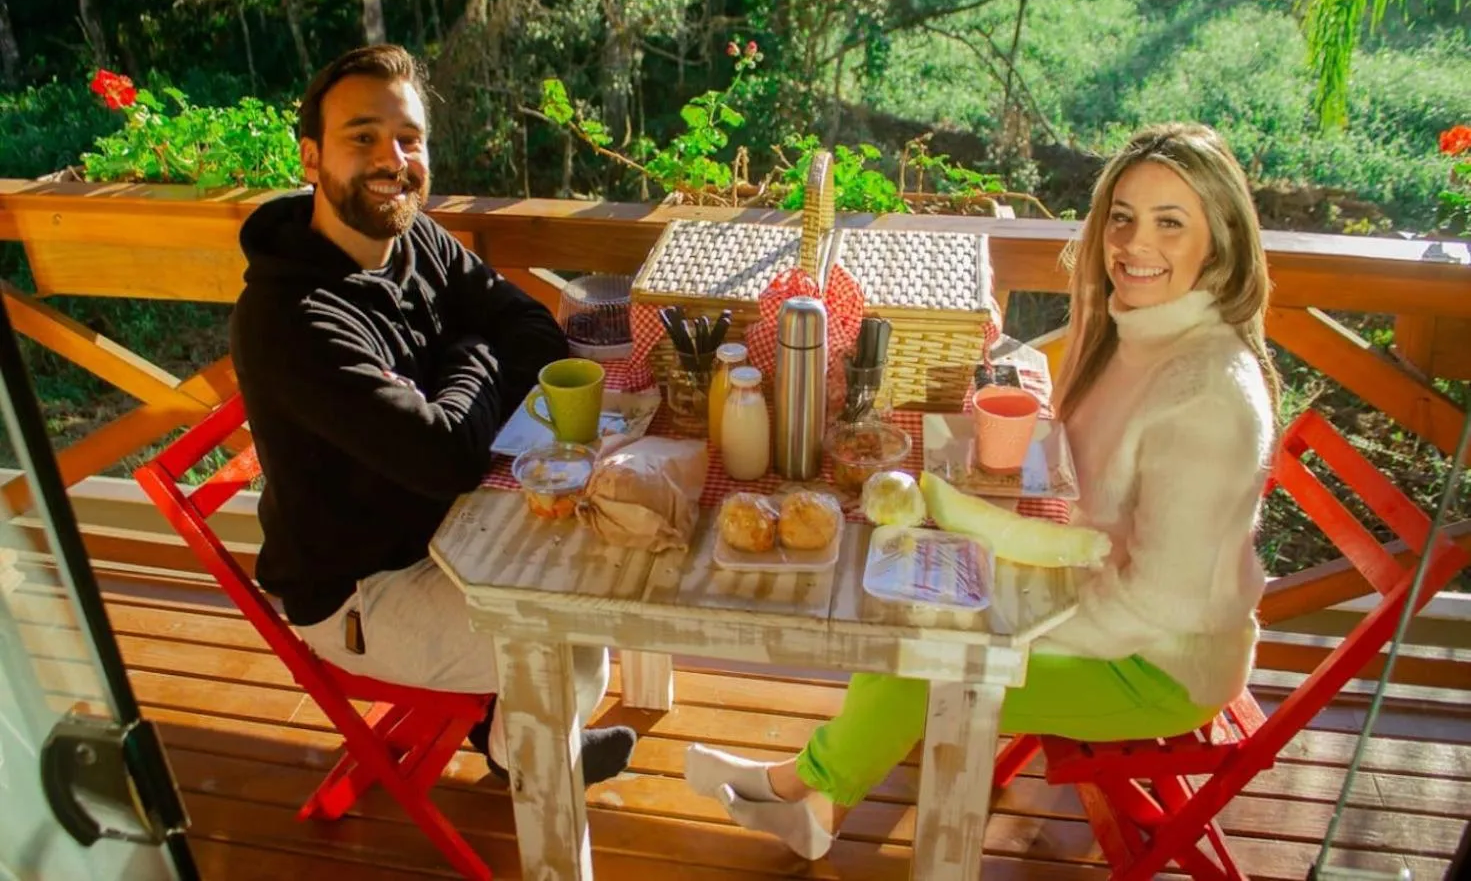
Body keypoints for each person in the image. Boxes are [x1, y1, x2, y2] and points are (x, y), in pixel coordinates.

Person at [683, 122, 1281, 857]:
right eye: (1121, 217)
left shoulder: (1210, 397)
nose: (1134, 244)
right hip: (1099, 587)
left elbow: (1161, 602)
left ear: (1219, 241)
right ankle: (810, 795)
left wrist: (1001, 630)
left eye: (1169, 222)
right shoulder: (1144, 329)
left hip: (1158, 663)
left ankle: (798, 793)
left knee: (928, 661)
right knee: (911, 606)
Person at [230, 44, 636, 785]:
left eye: (408, 138)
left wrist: (463, 368)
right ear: (311, 159)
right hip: (366, 587)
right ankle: (528, 754)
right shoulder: (294, 315)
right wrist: (475, 348)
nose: (392, 157)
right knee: (573, 639)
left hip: (448, 522)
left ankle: (508, 731)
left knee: (609, 558)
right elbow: (446, 454)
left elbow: (536, 330)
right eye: (362, 137)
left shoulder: (412, 234)